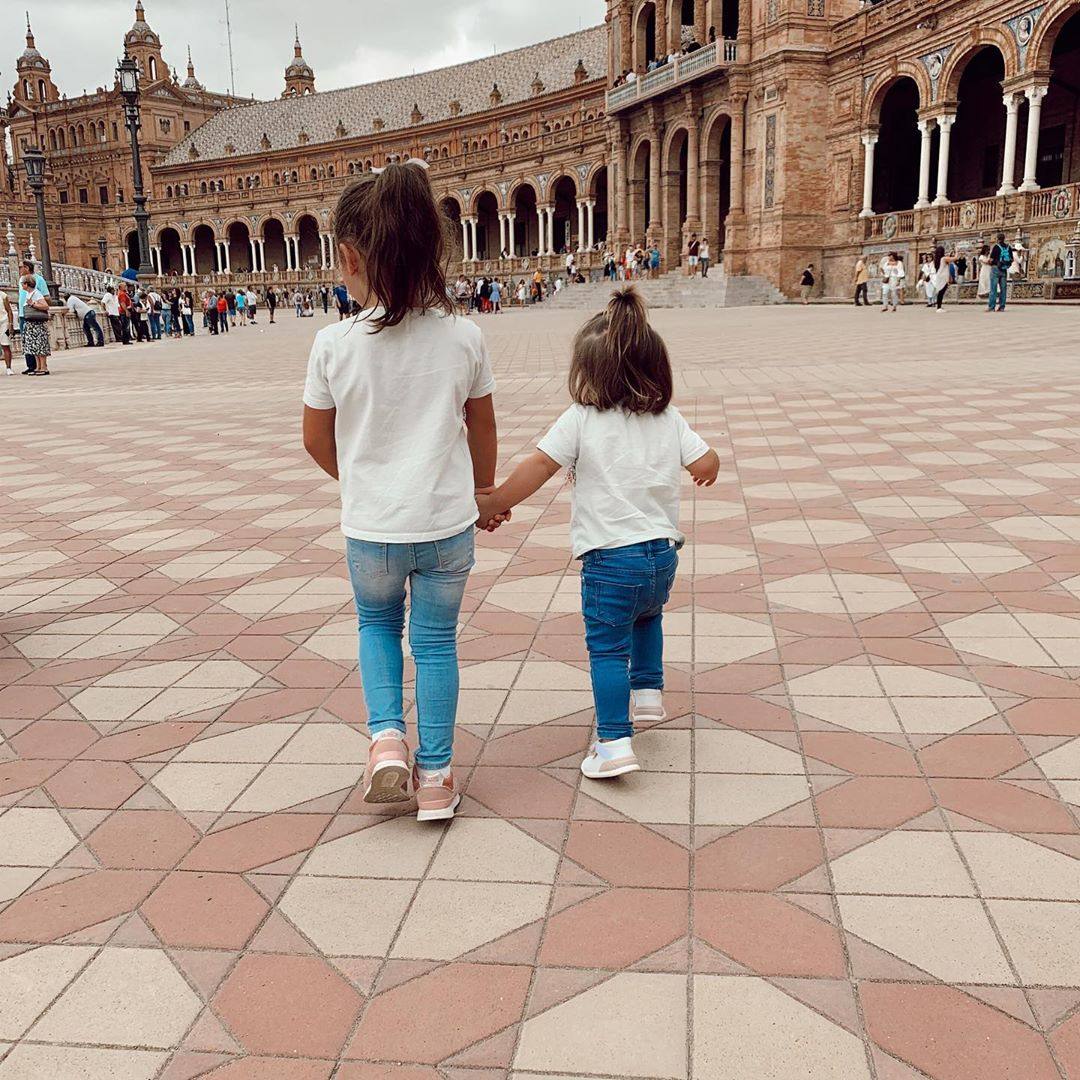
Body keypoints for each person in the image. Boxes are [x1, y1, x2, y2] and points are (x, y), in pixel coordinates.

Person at [302, 161, 501, 822]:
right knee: (437, 642)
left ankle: (387, 741)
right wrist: (482, 490)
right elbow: (482, 426)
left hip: (372, 529)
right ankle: (438, 778)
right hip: (446, 526)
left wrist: (360, 479)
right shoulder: (464, 336)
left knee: (378, 625)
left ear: (349, 258)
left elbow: (315, 439)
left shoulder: (332, 345)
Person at [476, 288, 720, 779]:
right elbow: (706, 459)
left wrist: (496, 501)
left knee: (607, 649)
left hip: (611, 560)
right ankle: (648, 694)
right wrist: (706, 470)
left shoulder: (581, 419)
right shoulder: (667, 418)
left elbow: (541, 466)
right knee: (648, 620)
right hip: (661, 556)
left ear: (588, 372)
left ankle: (613, 742)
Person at [20, 274, 51, 376]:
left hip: (37, 323)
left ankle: (44, 367)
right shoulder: (29, 294)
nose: (21, 285)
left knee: (40, 344)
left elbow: (45, 306)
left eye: (22, 283)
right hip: (31, 324)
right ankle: (38, 366)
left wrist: (33, 304)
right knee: (34, 346)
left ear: (27, 284)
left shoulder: (36, 293)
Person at [988, 232, 1013, 312]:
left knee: (993, 289)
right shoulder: (1008, 247)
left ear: (997, 239)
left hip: (995, 269)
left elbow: (991, 260)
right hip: (1004, 269)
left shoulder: (996, 247)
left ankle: (992, 307)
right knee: (1003, 289)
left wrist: (990, 262)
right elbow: (1011, 259)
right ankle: (1002, 307)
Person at [930, 245, 954, 310]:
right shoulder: (943, 258)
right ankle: (939, 307)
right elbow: (955, 258)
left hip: (939, 276)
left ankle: (939, 306)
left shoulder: (937, 259)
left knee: (940, 291)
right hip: (943, 277)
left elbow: (947, 262)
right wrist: (957, 251)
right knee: (941, 292)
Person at [0, 291, 14, 374]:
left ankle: (8, 368)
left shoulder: (3, 295)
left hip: (4, 322)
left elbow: (9, 310)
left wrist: (11, 324)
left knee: (6, 344)